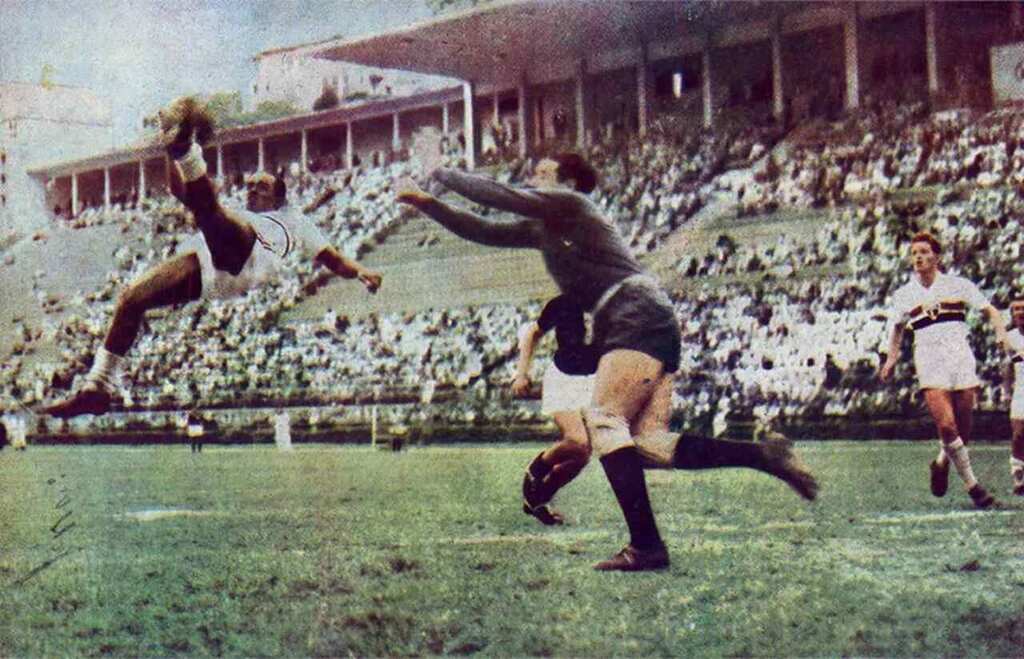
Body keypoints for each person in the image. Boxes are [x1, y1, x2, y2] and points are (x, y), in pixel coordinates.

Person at [397, 154, 818, 572]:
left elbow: (502, 197)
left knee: (604, 422)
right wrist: (428, 205)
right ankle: (763, 455)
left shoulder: (574, 205)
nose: (532, 179)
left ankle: (647, 546)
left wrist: (438, 171)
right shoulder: (547, 226)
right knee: (649, 444)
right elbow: (484, 230)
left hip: (631, 310)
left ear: (570, 182)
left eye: (542, 173)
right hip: (645, 312)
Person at [42, 97, 382, 419]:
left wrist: (362, 271)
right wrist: (168, 152)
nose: (252, 189)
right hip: (213, 263)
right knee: (131, 299)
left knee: (210, 211)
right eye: (250, 185)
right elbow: (180, 192)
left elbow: (334, 259)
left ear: (278, 197)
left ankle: (186, 151)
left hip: (253, 255)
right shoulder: (238, 211)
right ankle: (97, 386)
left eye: (261, 187)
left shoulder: (291, 219)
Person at [880, 231, 1011, 509]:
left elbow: (991, 310)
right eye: (914, 253)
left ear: (936, 256)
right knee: (947, 425)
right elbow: (896, 329)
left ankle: (941, 462)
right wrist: (891, 359)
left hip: (960, 357)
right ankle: (974, 487)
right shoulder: (905, 294)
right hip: (929, 359)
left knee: (961, 429)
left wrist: (1000, 334)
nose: (918, 257)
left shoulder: (957, 284)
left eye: (924, 252)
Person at [514, 294, 598, 526]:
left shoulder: (613, 305)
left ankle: (538, 499)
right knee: (577, 441)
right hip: (563, 377)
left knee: (581, 456)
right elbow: (533, 333)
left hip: (592, 379)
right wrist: (522, 373)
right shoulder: (565, 302)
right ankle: (535, 470)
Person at [1002, 297, 1024, 496]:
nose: (1019, 313)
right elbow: (1007, 366)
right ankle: (1018, 474)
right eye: (1015, 309)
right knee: (1018, 435)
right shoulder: (1010, 337)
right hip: (1021, 391)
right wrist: (1006, 391)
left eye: (1022, 309)